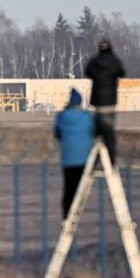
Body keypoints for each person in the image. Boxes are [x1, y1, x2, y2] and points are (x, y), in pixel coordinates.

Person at [54, 88, 97, 220]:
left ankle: (67, 215)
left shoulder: (61, 116)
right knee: (82, 187)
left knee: (69, 188)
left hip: (68, 159)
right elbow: (93, 131)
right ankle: (78, 212)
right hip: (84, 158)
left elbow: (57, 134)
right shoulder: (86, 117)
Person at [84, 38, 125, 165]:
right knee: (109, 133)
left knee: (97, 132)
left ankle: (95, 160)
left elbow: (87, 72)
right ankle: (111, 160)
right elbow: (122, 72)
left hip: (97, 103)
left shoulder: (94, 62)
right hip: (110, 103)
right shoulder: (114, 62)